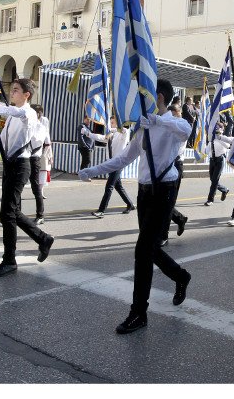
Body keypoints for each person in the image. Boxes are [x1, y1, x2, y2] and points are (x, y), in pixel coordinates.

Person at [79, 79, 192, 334]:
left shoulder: (172, 124)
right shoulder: (143, 127)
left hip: (164, 190)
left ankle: (138, 313)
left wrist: (158, 120)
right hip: (144, 193)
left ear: (159, 98)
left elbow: (186, 130)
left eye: (147, 95)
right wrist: (94, 170)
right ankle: (180, 276)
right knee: (149, 249)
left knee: (142, 251)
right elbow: (124, 158)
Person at [0, 79, 54, 277]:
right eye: (11, 90)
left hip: (21, 166)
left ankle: (9, 261)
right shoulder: (12, 116)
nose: (12, 93)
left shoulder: (28, 113)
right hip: (9, 166)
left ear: (26, 95)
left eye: (16, 90)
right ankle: (43, 239)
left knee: (7, 214)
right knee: (12, 212)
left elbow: (19, 112)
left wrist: (0, 109)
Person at [85, 115, 135, 218]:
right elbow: (101, 137)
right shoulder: (111, 134)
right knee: (118, 186)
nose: (111, 125)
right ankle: (130, 204)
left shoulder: (123, 133)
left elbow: (125, 131)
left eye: (112, 122)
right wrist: (88, 134)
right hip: (111, 163)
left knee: (109, 186)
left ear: (117, 123)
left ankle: (101, 210)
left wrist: (113, 128)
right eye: (110, 123)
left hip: (118, 163)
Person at [162, 103, 189, 244]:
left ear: (179, 114)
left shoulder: (182, 126)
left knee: (168, 202)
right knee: (163, 202)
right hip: (166, 164)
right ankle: (179, 218)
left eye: (174, 115)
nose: (172, 118)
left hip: (176, 165)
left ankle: (164, 236)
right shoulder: (171, 124)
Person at [29, 105, 51, 225]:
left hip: (34, 159)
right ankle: (16, 214)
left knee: (36, 187)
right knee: (17, 187)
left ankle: (40, 215)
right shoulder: (25, 125)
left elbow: (48, 144)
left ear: (38, 114)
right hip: (22, 159)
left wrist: (42, 154)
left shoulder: (42, 128)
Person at [204, 122, 231, 206]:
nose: (216, 130)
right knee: (212, 179)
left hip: (220, 160)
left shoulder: (224, 138)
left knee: (215, 180)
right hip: (212, 160)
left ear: (222, 129)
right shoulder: (211, 139)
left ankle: (210, 199)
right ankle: (224, 189)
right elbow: (207, 150)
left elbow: (227, 146)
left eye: (218, 128)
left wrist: (219, 137)